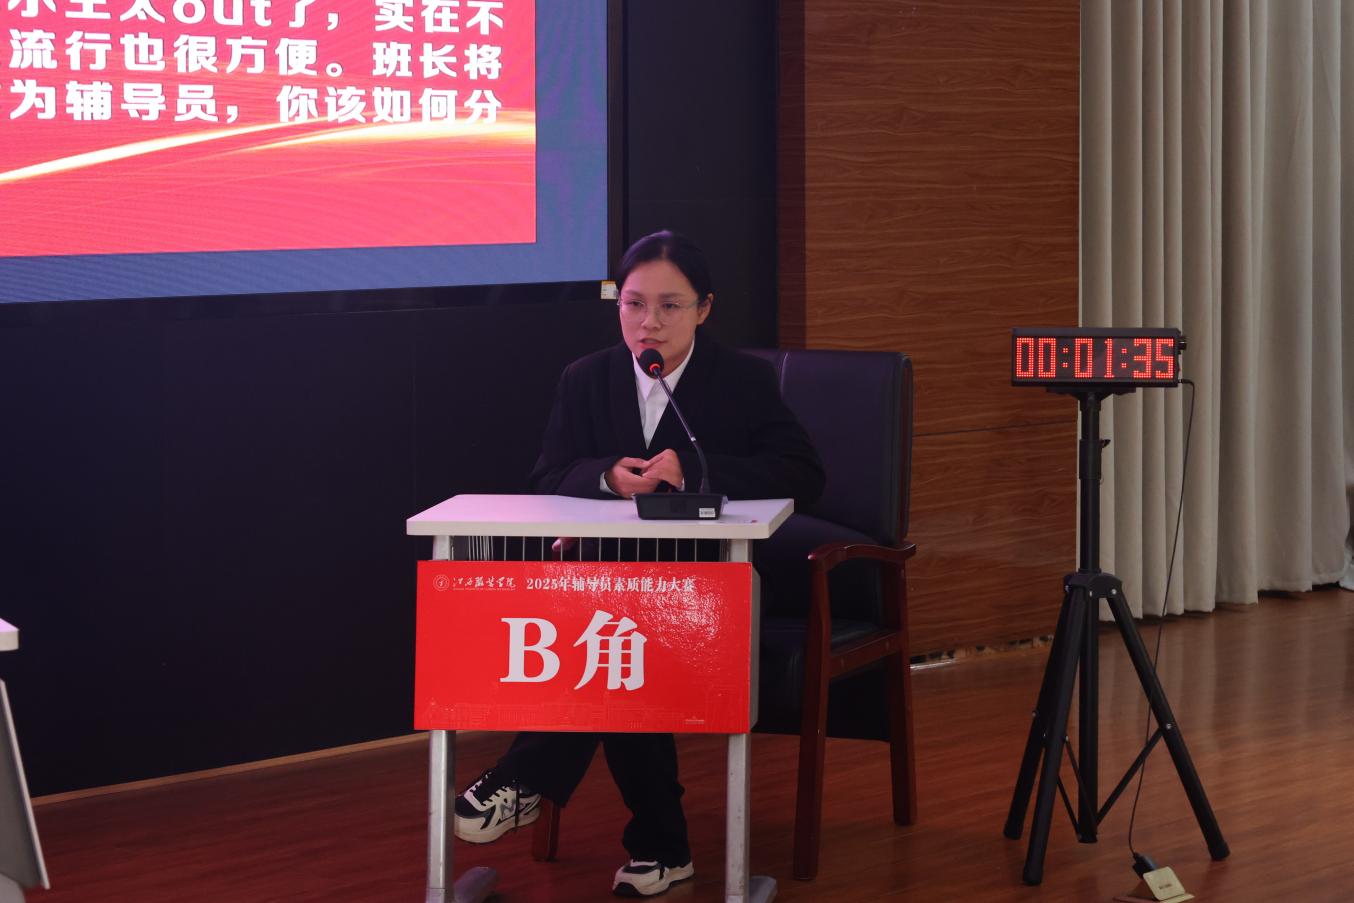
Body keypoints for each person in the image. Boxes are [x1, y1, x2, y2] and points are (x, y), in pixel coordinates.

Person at [453, 230, 825, 897]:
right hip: (604, 585)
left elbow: (803, 472)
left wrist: (700, 471)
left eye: (669, 306)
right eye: (633, 304)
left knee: (622, 635)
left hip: (709, 586)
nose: (648, 322)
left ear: (704, 309)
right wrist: (605, 478)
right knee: (623, 635)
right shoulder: (586, 377)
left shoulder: (741, 379)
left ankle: (526, 775)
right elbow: (548, 475)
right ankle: (661, 848)